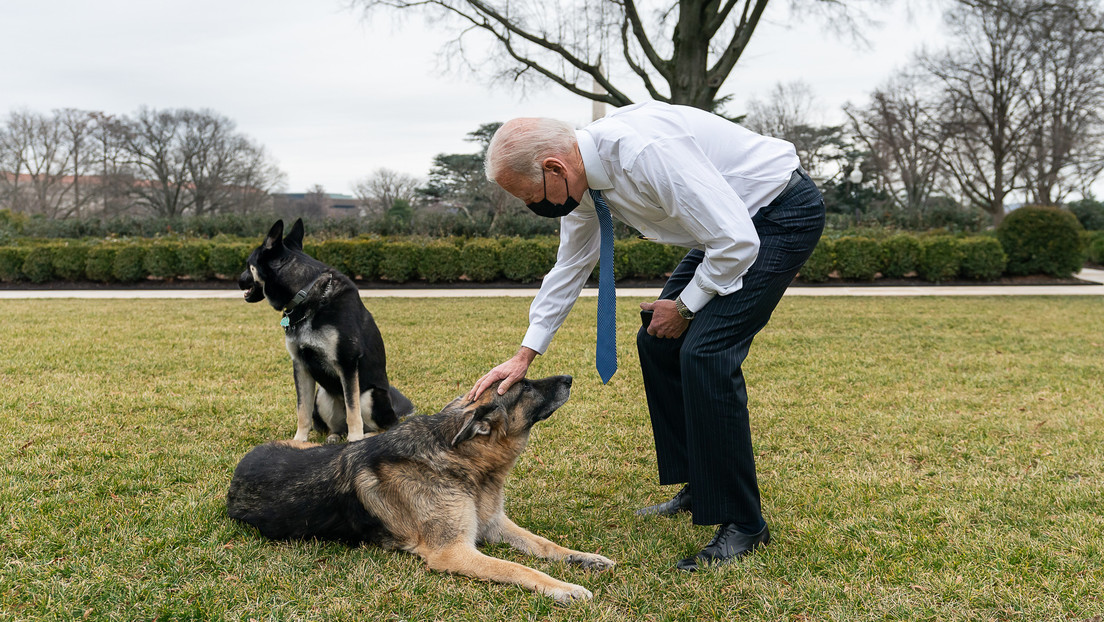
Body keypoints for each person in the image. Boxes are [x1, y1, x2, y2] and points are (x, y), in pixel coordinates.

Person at [466, 100, 826, 571]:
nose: (533, 207)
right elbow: (571, 265)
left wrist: (685, 306)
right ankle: (703, 485)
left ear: (554, 168)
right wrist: (524, 355)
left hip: (776, 216)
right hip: (727, 228)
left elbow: (738, 242)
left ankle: (744, 523)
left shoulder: (644, 153)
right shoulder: (581, 183)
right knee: (659, 342)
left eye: (531, 196)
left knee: (706, 353)